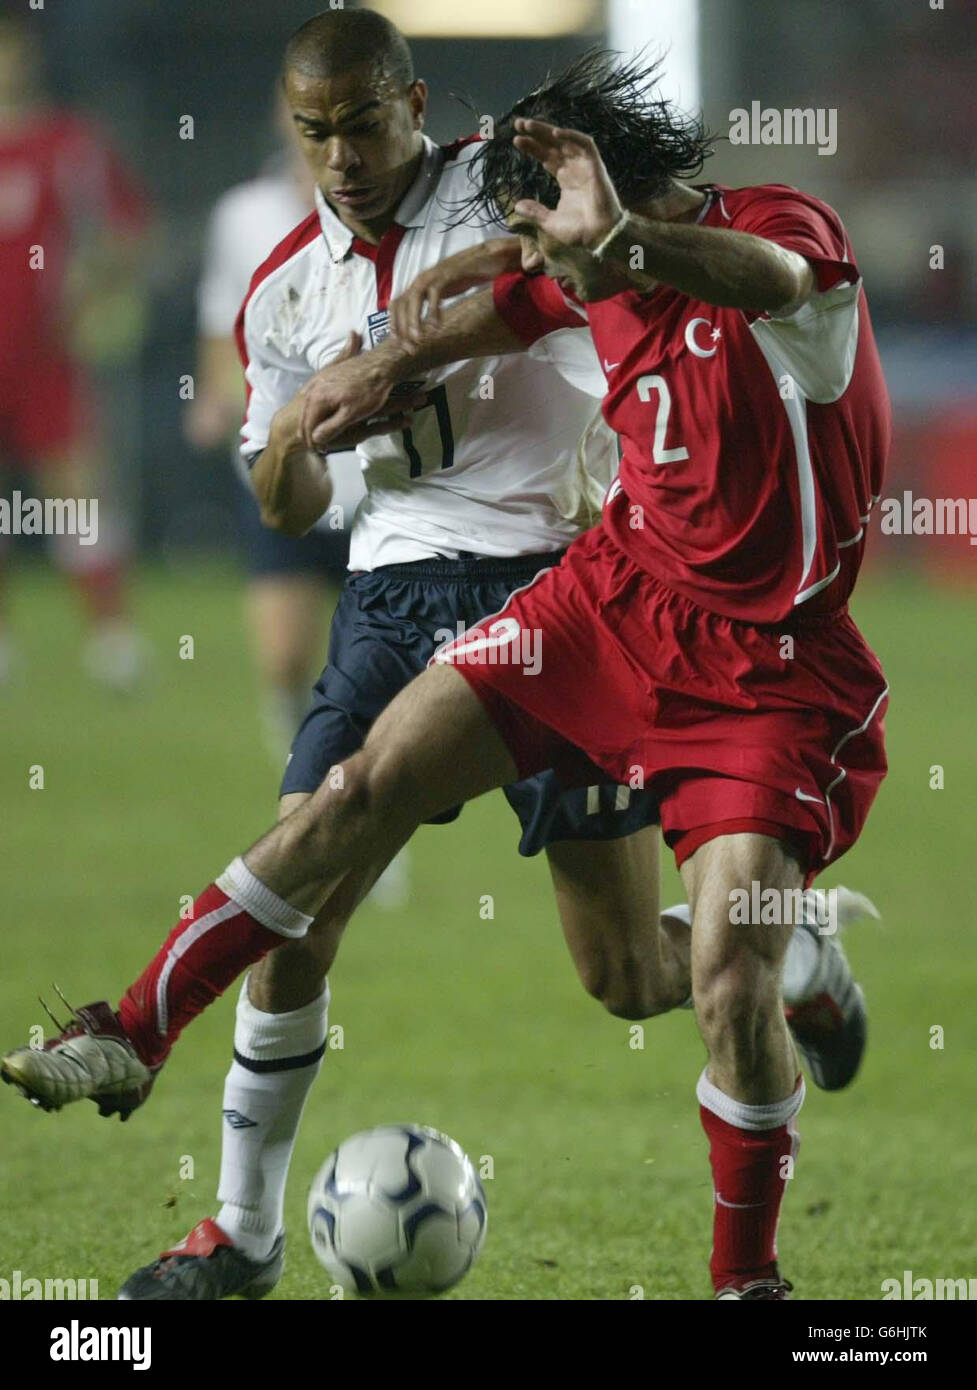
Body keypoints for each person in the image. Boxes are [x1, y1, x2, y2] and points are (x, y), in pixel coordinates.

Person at [1, 36, 880, 1303]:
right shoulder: (369, 270)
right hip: (584, 601)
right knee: (349, 808)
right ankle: (141, 1046)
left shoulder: (750, 227)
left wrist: (606, 244)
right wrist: (373, 371)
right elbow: (495, 308)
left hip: (747, 649)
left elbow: (774, 275)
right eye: (320, 134)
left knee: (671, 976)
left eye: (365, 125)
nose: (521, 242)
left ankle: (748, 1272)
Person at [186, 95, 365, 764]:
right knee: (284, 655)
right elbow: (218, 310)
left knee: (369, 669)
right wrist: (212, 394)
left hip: (377, 476)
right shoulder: (244, 214)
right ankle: (302, 747)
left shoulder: (389, 207)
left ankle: (357, 796)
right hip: (280, 461)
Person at [0, 12, 150, 689]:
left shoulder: (66, 142)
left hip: (45, 356)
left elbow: (125, 229)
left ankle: (112, 639)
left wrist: (92, 294)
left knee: (75, 496)